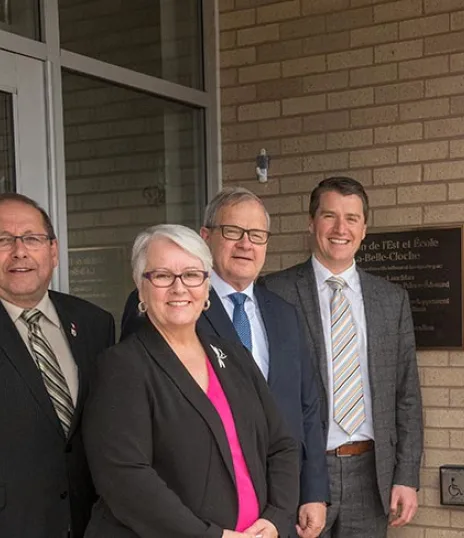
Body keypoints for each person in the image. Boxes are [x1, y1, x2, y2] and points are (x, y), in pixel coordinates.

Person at [119, 188, 328, 538]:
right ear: (206, 237)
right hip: (198, 515)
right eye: (233, 232)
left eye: (257, 235)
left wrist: (312, 492)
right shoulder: (172, 304)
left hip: (277, 510)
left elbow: (307, 407)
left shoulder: (284, 314)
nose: (246, 244)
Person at [82, 224, 299, 538]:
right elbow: (125, 477)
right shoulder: (122, 366)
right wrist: (210, 535)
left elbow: (281, 445)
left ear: (207, 283)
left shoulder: (232, 354)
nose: (179, 288)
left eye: (192, 274)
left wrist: (277, 516)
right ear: (140, 286)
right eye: (162, 275)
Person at [260, 176, 423, 537]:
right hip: (300, 471)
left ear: (364, 228)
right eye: (329, 216)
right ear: (311, 222)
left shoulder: (390, 300)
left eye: (351, 218)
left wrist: (407, 475)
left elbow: (406, 395)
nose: (340, 228)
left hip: (371, 473)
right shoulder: (274, 292)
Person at [0, 193, 115, 538]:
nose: (19, 251)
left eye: (32, 239)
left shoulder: (95, 323)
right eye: (3, 240)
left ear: (53, 251)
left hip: (92, 523)